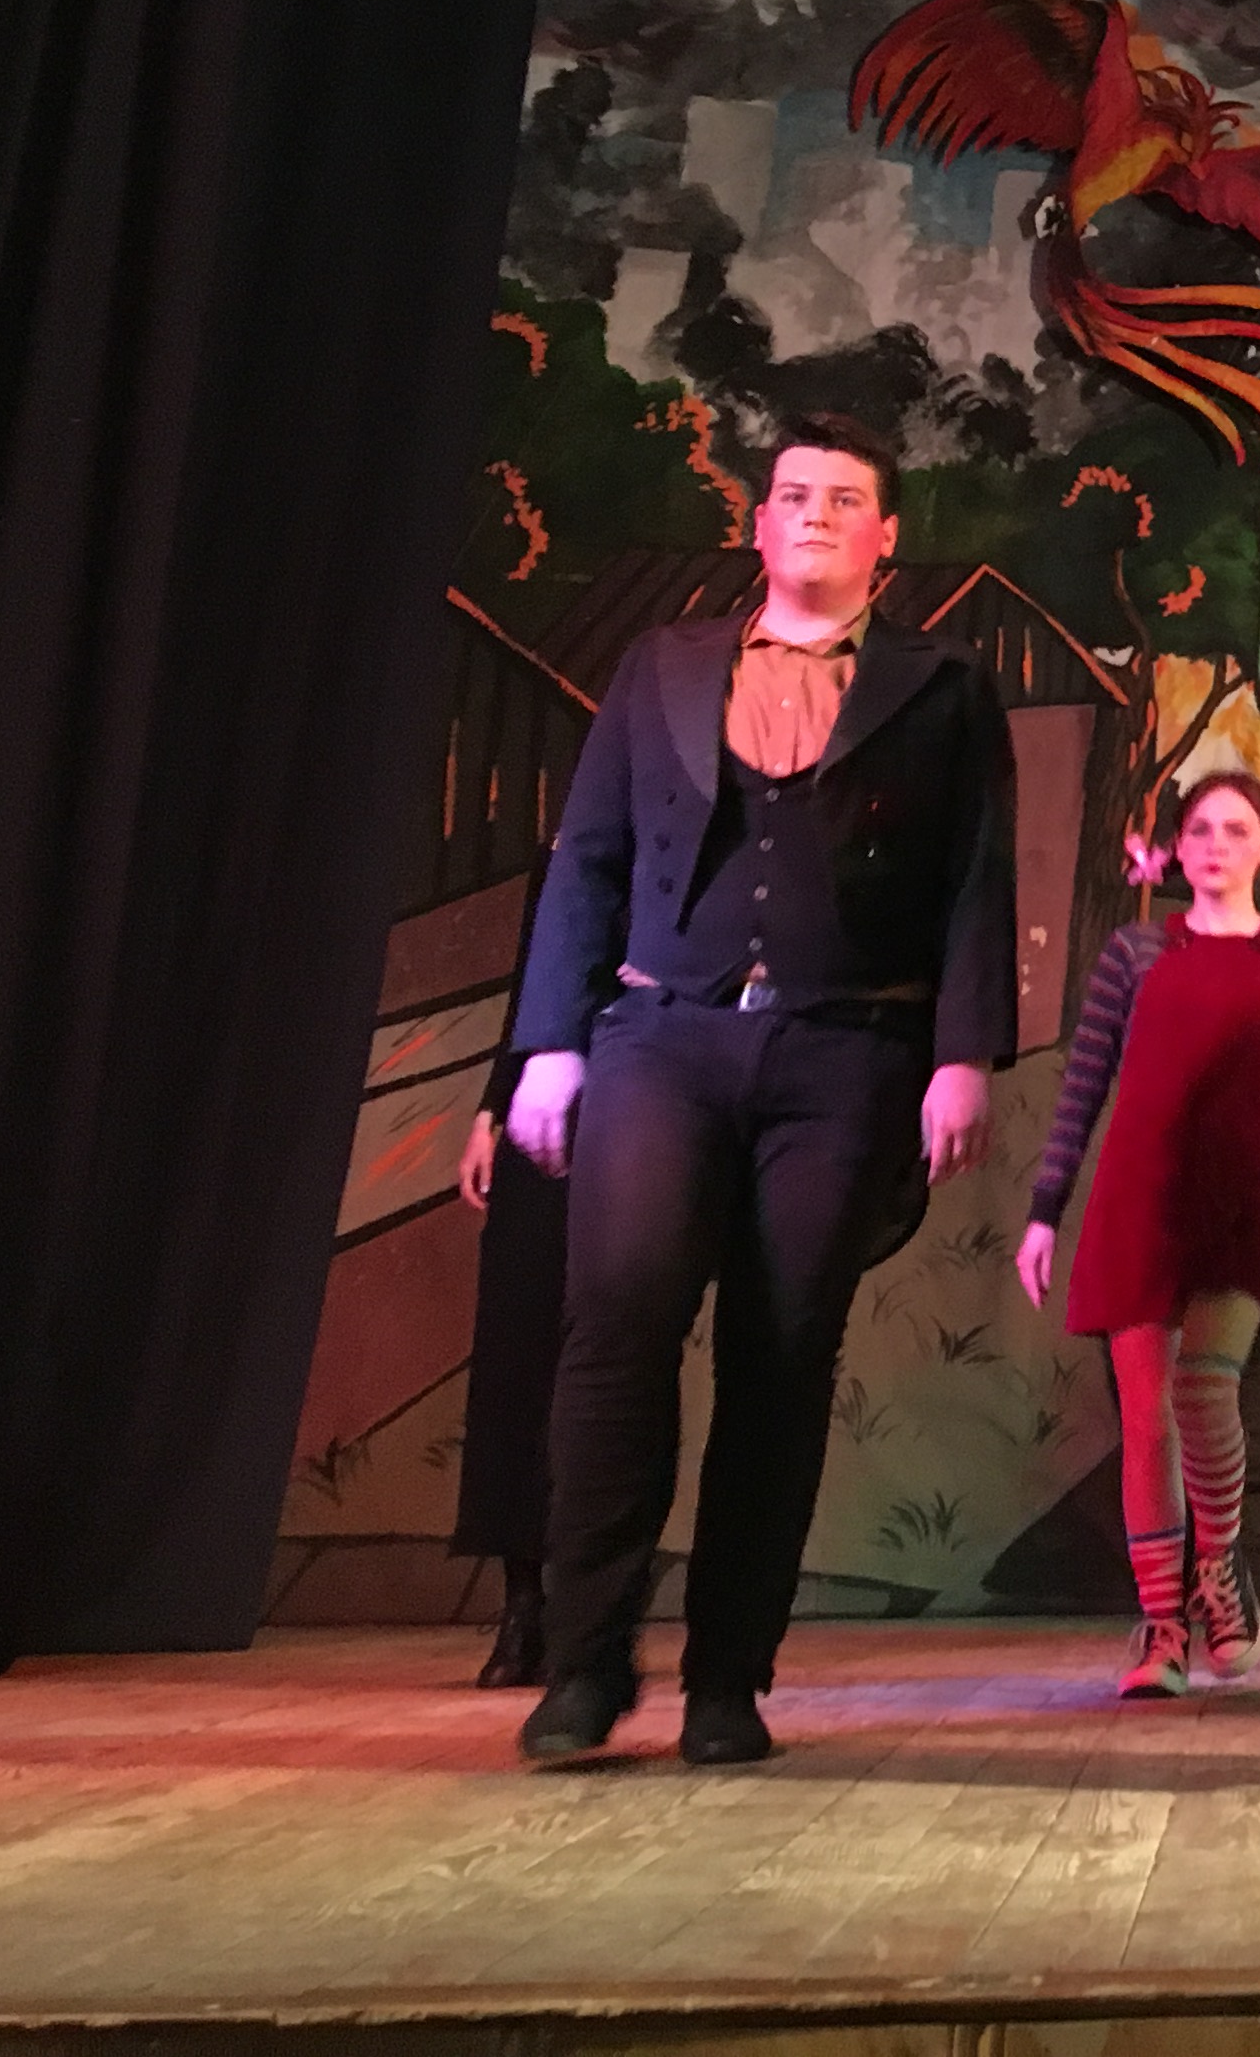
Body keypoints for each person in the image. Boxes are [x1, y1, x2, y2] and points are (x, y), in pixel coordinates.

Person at [502, 414, 1016, 1769]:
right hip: (661, 1037)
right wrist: (550, 1043)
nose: (815, 516)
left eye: (845, 500)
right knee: (618, 1328)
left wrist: (963, 1055)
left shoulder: (944, 685)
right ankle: (584, 1664)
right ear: (759, 522)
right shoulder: (663, 665)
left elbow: (976, 878)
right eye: (794, 495)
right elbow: (588, 856)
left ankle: (728, 1678)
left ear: (886, 536)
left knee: (781, 1356)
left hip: (844, 1052)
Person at [1018, 769, 1260, 1698]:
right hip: (1143, 1200)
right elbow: (1084, 1086)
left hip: (1244, 1205)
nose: (1214, 846)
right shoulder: (1134, 953)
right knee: (1146, 1415)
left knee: (1205, 1392)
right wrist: (1044, 1212)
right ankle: (1161, 1622)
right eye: (1199, 830)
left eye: (1236, 830)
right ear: (1175, 849)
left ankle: (1220, 1571)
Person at [450, 1063, 562, 1689]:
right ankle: (523, 1606)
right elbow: (533, 1012)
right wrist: (489, 1115)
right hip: (538, 1116)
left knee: (609, 1376)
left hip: (643, 1094)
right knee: (516, 1368)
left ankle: (587, 1613)